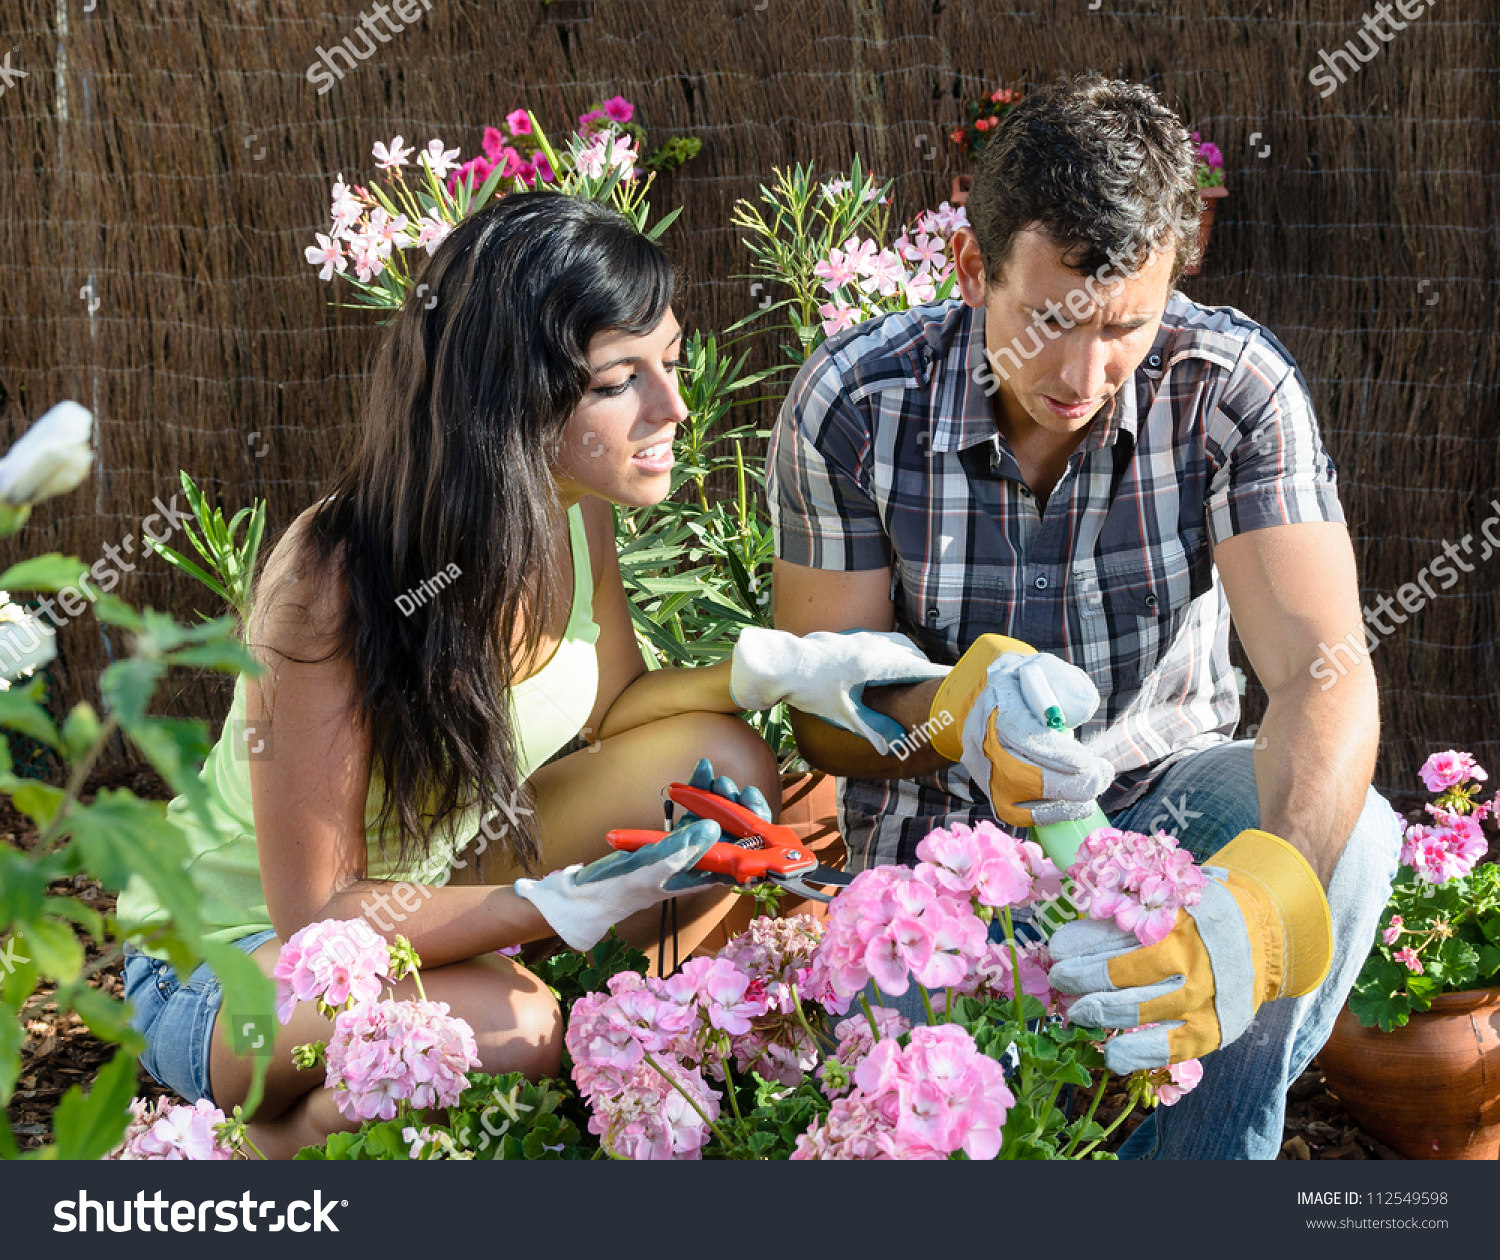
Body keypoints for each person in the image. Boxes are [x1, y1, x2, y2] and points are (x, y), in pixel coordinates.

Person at [117, 190, 943, 1158]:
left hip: (423, 889)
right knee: (516, 1030)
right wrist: (557, 903)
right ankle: (250, 1149)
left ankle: (631, 1055)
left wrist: (778, 671)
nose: (673, 408)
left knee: (722, 768)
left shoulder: (568, 505)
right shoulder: (335, 578)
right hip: (237, 967)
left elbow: (616, 708)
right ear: (514, 396)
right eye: (619, 381)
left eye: (671, 361)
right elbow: (319, 916)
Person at [766, 73, 1403, 1159]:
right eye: (1050, 319)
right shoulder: (860, 403)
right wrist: (957, 714)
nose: (1083, 373)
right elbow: (825, 726)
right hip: (942, 861)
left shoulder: (1228, 388)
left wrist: (1257, 907)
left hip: (1163, 814)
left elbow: (1322, 672)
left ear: (1173, 281)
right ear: (973, 269)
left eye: (1124, 327)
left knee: (1348, 844)